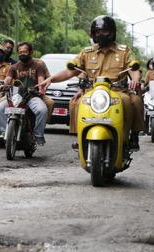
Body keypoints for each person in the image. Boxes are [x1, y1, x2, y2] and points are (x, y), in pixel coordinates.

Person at [38, 15, 144, 151]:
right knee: (75, 102)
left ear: (112, 32)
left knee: (132, 101)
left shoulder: (124, 51)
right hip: (92, 92)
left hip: (118, 91)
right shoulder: (87, 52)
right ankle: (79, 137)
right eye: (97, 32)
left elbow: (134, 68)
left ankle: (130, 136)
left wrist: (135, 79)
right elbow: (70, 71)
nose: (100, 35)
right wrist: (51, 79)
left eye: (104, 31)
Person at [0, 41, 49, 145]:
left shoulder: (38, 65)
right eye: (20, 52)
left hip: (32, 96)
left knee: (42, 110)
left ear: (30, 52)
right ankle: (3, 132)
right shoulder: (14, 67)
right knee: (0, 107)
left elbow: (41, 79)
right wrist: (3, 85)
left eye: (24, 52)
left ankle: (38, 135)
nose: (22, 54)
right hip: (16, 96)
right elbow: (8, 79)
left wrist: (41, 87)